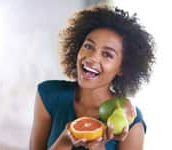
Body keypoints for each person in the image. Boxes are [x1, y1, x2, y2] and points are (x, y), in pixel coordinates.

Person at [30, 4, 155, 150]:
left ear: (122, 68)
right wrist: (65, 139)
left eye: (107, 54)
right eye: (89, 46)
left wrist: (99, 146)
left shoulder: (132, 122)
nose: (92, 58)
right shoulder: (49, 94)